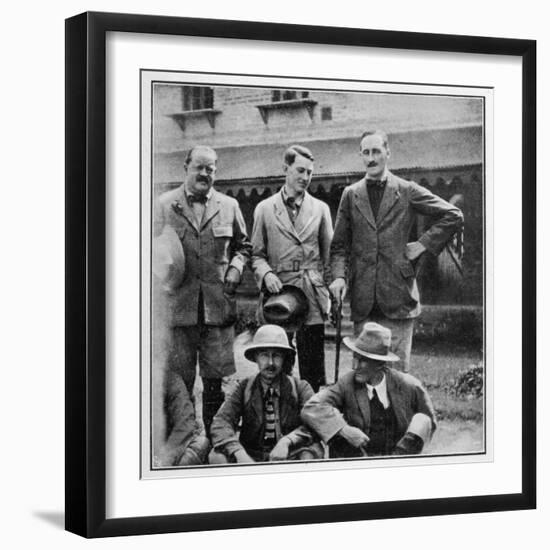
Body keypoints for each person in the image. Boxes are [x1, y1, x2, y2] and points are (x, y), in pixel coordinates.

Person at [329, 130, 463, 371]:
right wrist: (339, 277)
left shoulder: (407, 190)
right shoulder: (350, 195)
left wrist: (422, 244)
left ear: (388, 153)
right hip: (363, 300)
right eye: (366, 152)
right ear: (361, 155)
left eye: (376, 152)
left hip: (399, 298)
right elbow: (339, 245)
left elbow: (453, 214)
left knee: (398, 377)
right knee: (363, 373)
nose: (371, 158)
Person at [153, 145, 251, 434]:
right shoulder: (163, 204)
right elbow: (146, 247)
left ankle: (212, 436)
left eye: (210, 169)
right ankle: (181, 436)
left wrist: (236, 267)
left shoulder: (229, 206)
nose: (204, 173)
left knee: (214, 382)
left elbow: (243, 247)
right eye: (199, 167)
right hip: (178, 309)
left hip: (217, 309)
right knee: (179, 380)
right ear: (186, 167)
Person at [251, 145, 333, 391]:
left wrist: (333, 292)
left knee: (313, 367)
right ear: (285, 169)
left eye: (310, 172)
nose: (305, 178)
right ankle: (279, 417)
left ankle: (312, 419)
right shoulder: (265, 209)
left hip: (311, 293)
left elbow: (330, 257)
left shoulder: (321, 209)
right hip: (279, 295)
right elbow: (256, 255)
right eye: (300, 170)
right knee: (278, 361)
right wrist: (266, 274)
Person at [301, 322, 437, 458]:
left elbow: (428, 420)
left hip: (397, 457)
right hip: (359, 457)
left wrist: (411, 441)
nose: (355, 366)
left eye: (362, 361)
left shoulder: (407, 385)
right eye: (355, 358)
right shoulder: (347, 383)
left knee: (421, 420)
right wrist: (344, 429)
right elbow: (312, 407)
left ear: (380, 363)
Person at [209, 325, 324, 464]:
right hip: (251, 456)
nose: (270, 362)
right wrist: (239, 452)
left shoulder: (300, 387)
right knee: (216, 456)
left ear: (284, 358)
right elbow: (221, 422)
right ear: (256, 358)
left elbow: (317, 422)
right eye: (264, 355)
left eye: (276, 356)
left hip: (289, 454)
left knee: (312, 453)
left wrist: (288, 441)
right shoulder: (244, 387)